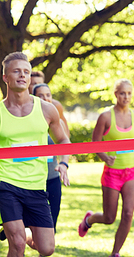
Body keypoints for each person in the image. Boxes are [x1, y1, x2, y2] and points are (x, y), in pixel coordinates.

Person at [0, 52, 71, 257]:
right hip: (6, 183)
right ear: (6, 77)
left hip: (37, 185)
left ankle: (19, 228)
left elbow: (63, 140)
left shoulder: (47, 110)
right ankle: (16, 231)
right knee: (18, 244)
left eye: (26, 72)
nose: (22, 76)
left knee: (47, 248)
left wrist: (64, 164)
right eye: (16, 71)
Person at [78, 79, 134, 257]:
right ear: (115, 94)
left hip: (132, 172)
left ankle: (115, 253)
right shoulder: (105, 117)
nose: (126, 97)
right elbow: (95, 144)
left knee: (128, 213)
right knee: (109, 218)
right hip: (112, 173)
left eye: (129, 93)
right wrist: (105, 157)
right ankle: (89, 219)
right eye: (122, 93)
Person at [32, 83, 71, 233]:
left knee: (51, 226)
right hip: (33, 179)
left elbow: (65, 144)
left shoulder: (57, 121)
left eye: (48, 95)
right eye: (40, 95)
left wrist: (64, 164)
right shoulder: (28, 120)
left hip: (52, 176)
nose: (45, 99)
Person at [29, 71, 70, 138]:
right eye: (34, 84)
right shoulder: (24, 105)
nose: (37, 86)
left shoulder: (55, 105)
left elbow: (64, 129)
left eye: (40, 83)